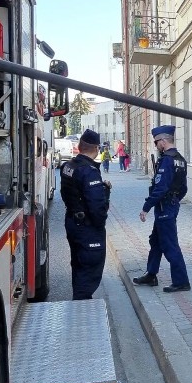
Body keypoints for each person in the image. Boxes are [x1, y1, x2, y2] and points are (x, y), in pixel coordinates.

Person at [132, 125, 191, 292]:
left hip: (164, 207)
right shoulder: (180, 159)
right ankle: (151, 275)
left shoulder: (167, 160)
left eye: (156, 141)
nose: (156, 145)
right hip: (169, 205)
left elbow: (161, 187)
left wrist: (146, 207)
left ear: (163, 141)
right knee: (156, 241)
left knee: (170, 245)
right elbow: (184, 188)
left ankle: (181, 282)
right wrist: (175, 201)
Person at [59, 129, 111, 300]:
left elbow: (72, 191)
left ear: (79, 146)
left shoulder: (69, 165)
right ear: (96, 148)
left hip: (73, 222)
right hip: (88, 228)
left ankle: (80, 302)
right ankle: (81, 309)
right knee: (88, 272)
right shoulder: (88, 171)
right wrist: (105, 194)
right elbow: (97, 207)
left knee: (79, 265)